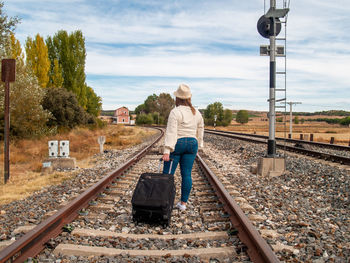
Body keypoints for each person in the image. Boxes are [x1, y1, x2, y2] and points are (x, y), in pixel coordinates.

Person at [162, 84, 204, 211]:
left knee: (168, 174)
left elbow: (171, 132)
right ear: (189, 98)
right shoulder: (197, 113)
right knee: (187, 174)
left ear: (177, 98)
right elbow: (200, 129)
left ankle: (164, 202)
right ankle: (183, 204)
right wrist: (200, 145)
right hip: (192, 144)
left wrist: (166, 150)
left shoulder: (175, 112)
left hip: (178, 144)